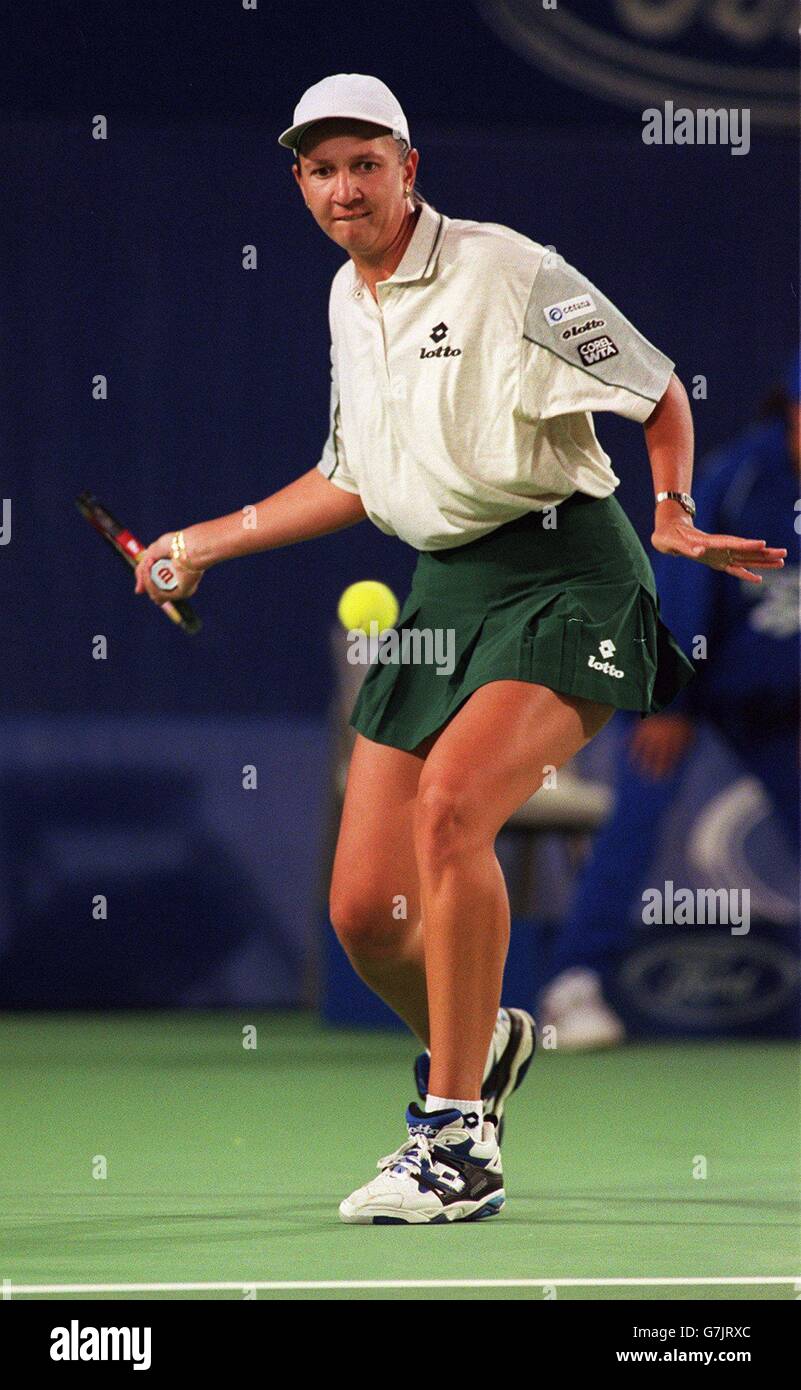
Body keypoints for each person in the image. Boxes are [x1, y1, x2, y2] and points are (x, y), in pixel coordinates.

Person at [134, 74, 786, 1224]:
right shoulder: (347, 297)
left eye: (365, 164)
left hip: (568, 575)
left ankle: (456, 1138)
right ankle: (482, 1041)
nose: (345, 188)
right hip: (450, 589)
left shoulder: (508, 269)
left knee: (452, 808)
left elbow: (658, 387)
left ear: (408, 167)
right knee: (365, 914)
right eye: (322, 169)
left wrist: (674, 509)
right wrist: (204, 540)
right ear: (300, 182)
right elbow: (349, 475)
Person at [540, 353, 800, 1049]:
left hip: (776, 705)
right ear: (788, 410)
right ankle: (573, 987)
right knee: (636, 818)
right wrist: (668, 705)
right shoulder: (738, 476)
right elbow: (680, 585)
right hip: (686, 678)